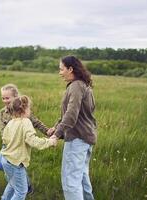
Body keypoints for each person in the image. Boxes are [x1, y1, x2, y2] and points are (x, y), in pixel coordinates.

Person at [49, 55, 97, 200]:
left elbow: (72, 114)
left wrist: (56, 134)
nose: (60, 73)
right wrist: (56, 127)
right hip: (85, 139)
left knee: (71, 182)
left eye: (61, 69)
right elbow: (75, 113)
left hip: (77, 139)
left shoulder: (76, 86)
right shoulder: (82, 85)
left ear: (70, 69)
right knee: (82, 178)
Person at [0, 84, 51, 194]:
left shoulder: (22, 110)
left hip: (19, 146)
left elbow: (36, 123)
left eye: (7, 98)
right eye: (3, 98)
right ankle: (21, 182)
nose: (5, 100)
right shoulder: (2, 112)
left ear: (15, 97)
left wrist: (47, 131)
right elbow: (3, 130)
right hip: (8, 144)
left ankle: (23, 185)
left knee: (13, 167)